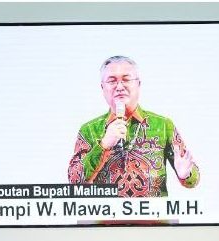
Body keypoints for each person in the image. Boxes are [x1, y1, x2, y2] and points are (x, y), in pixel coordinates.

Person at [68, 55, 199, 197]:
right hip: (106, 211)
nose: (119, 87)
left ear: (138, 84)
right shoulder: (89, 130)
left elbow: (193, 180)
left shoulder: (163, 125)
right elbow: (75, 182)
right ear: (102, 87)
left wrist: (186, 174)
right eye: (112, 81)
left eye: (126, 79)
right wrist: (103, 145)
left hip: (153, 211)